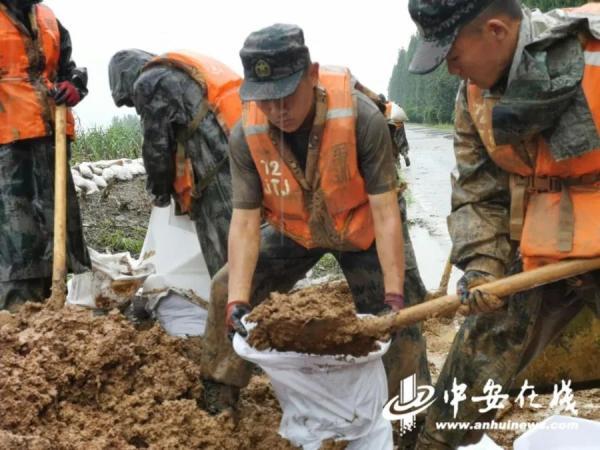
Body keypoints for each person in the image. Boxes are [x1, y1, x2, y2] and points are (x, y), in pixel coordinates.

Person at [200, 23, 431, 426]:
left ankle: (411, 419)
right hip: (295, 230)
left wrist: (393, 295)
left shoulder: (360, 118)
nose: (277, 111)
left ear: (311, 74)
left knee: (403, 319)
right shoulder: (246, 134)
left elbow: (386, 212)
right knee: (224, 286)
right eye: (266, 101)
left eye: (286, 97)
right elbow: (244, 222)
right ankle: (219, 398)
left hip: (361, 230)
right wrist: (239, 298)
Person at [408, 0, 600, 447]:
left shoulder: (593, 52)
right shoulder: (473, 97)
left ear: (495, 30)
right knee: (479, 353)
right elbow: (478, 191)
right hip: (544, 240)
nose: (452, 72)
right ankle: (435, 441)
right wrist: (482, 269)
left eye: (453, 56)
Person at [109, 50, 240, 277]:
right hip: (242, 154)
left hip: (218, 168)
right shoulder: (177, 73)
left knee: (226, 249)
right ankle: (268, 299)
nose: (134, 106)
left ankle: (239, 304)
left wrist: (159, 193)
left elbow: (156, 147)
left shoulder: (149, 82)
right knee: (251, 232)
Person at [0, 0, 90, 310]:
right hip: (6, 147)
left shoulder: (48, 19)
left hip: (49, 140)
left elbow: (68, 67)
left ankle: (53, 311)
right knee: (14, 239)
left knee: (54, 232)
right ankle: (14, 318)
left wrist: (75, 83)